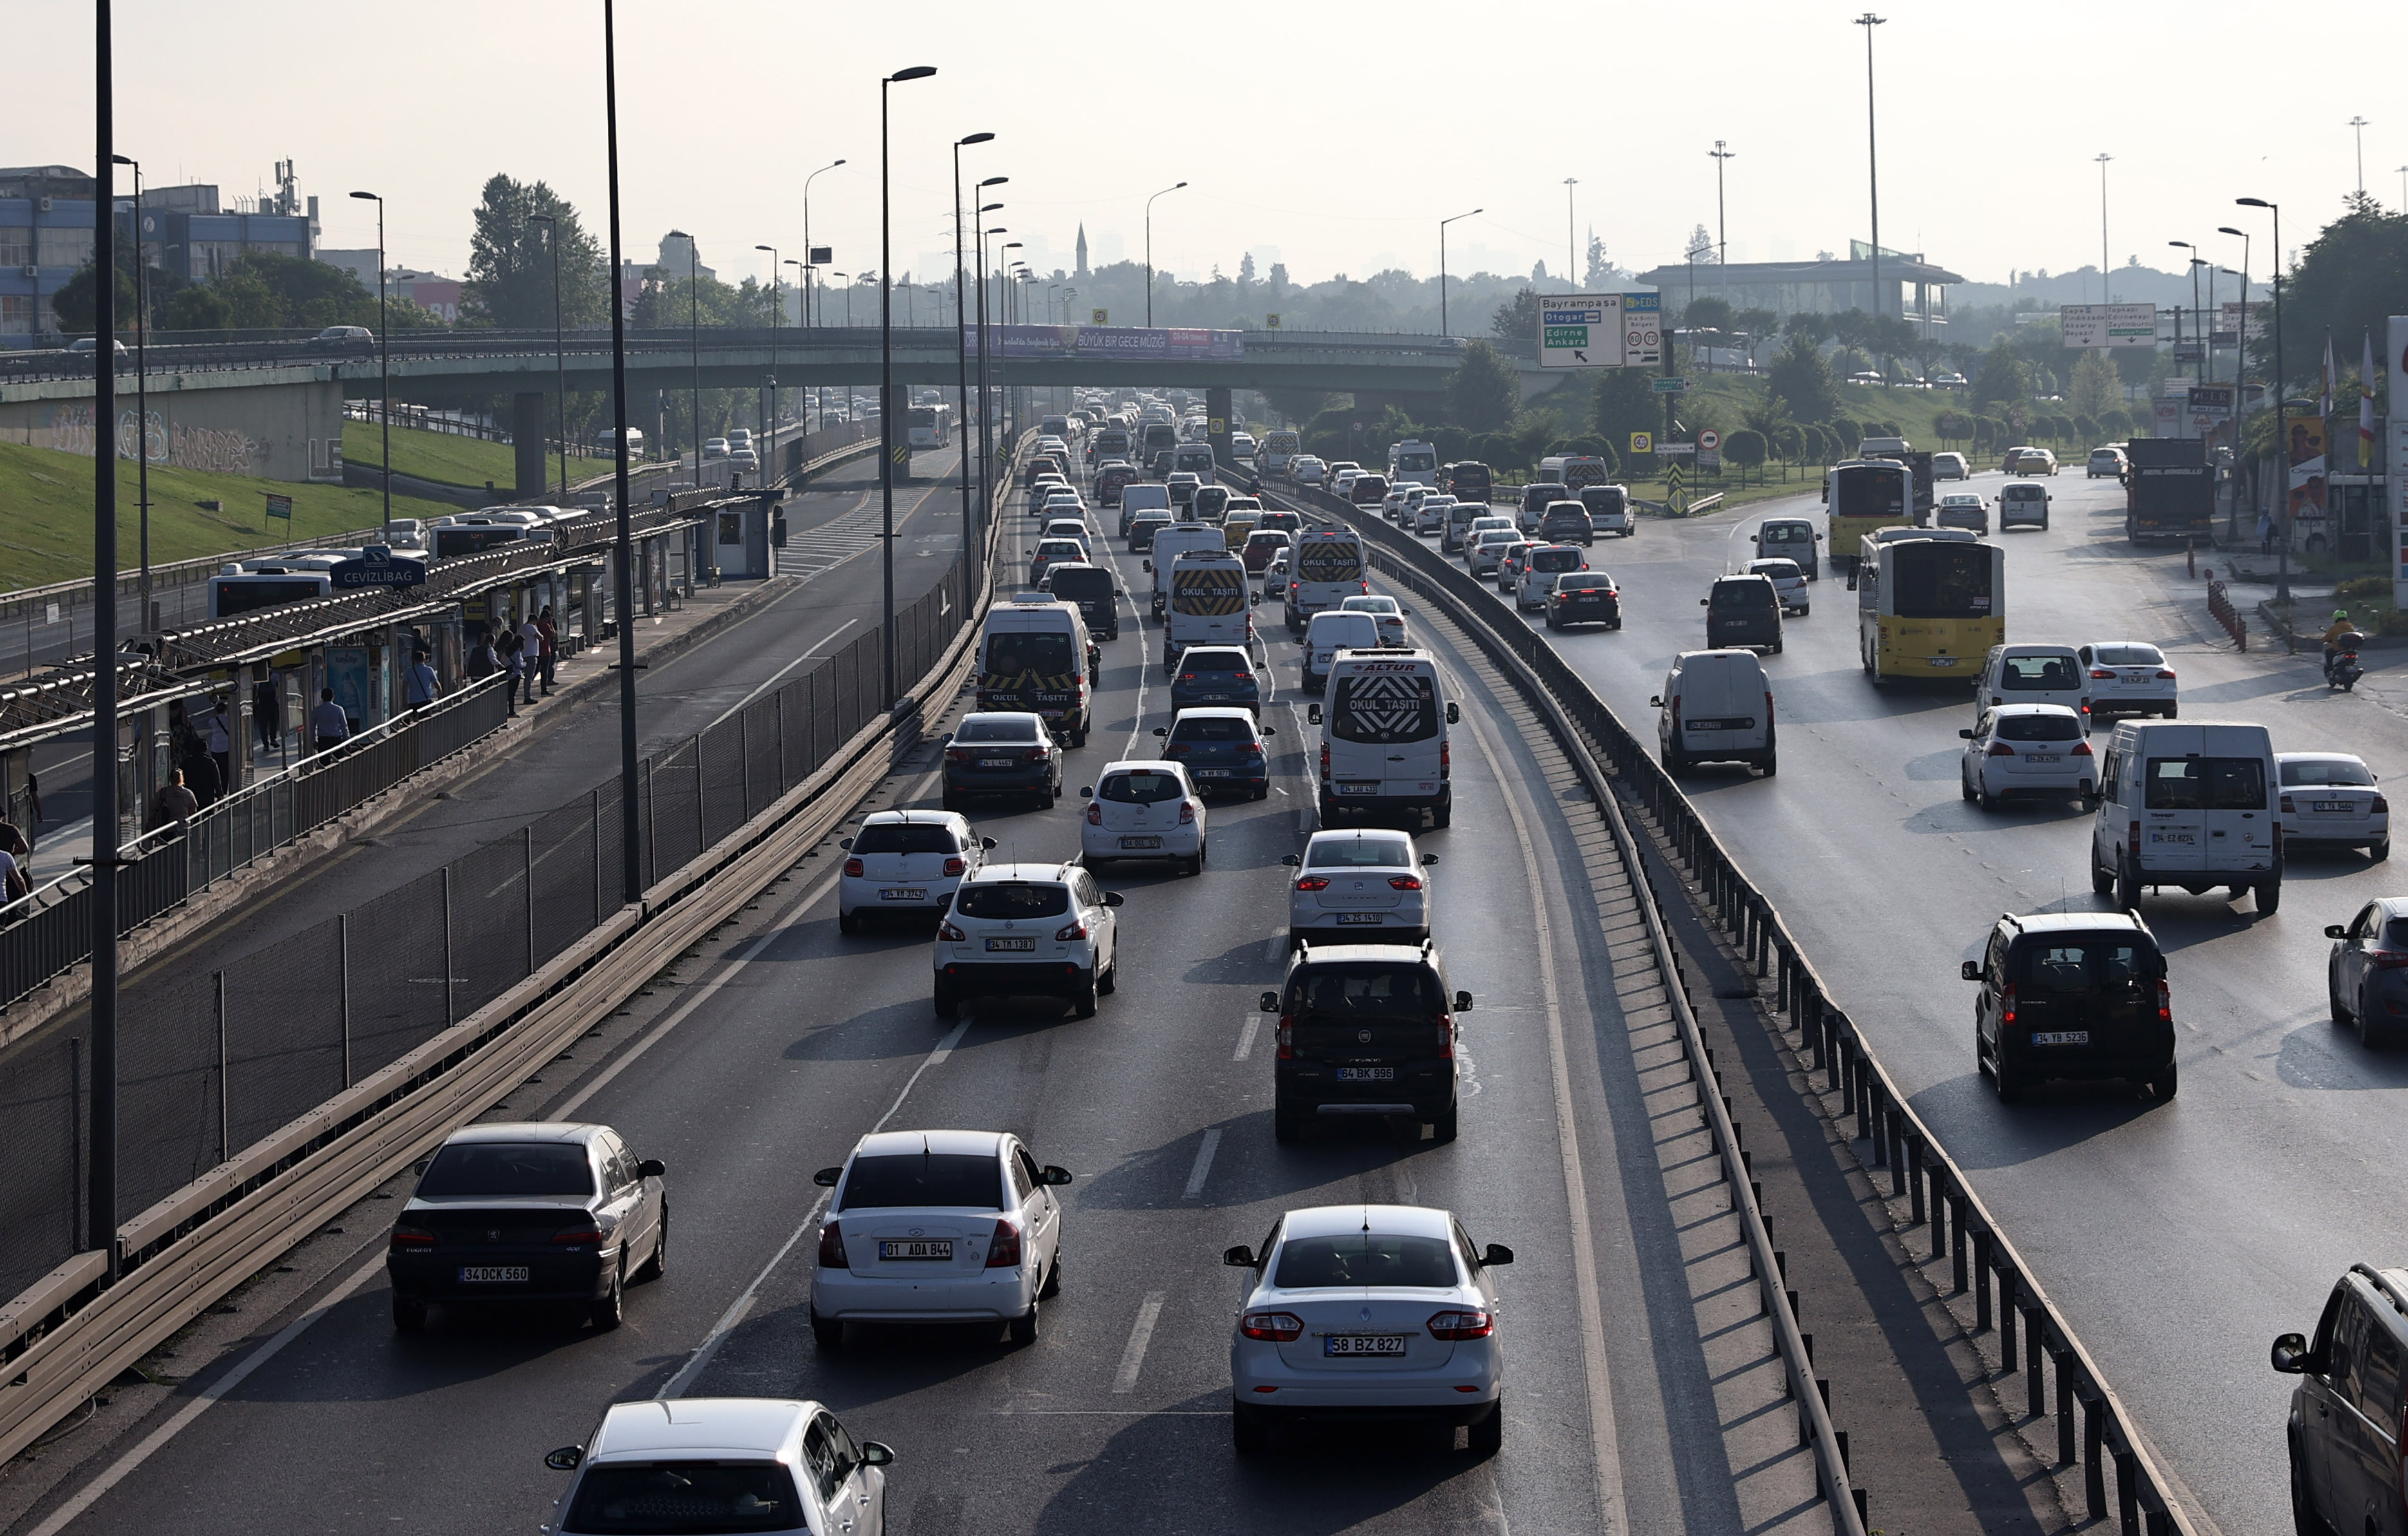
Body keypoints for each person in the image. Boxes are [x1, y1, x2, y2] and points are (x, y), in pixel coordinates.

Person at [151, 768, 198, 835]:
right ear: (182, 779)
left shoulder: (163, 792)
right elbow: (193, 810)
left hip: (167, 827)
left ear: (170, 779)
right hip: (184, 826)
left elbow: (154, 806)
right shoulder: (188, 793)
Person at [2322, 609, 2360, 680]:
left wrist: (2323, 640)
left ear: (2336, 618)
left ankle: (2330, 671)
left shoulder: (2334, 628)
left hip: (2338, 649)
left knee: (2328, 653)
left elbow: (2327, 638)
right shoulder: (2351, 627)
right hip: (2349, 649)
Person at [312, 687, 350, 756]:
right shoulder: (339, 709)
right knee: (338, 761)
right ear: (333, 696)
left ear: (322, 697)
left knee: (324, 763)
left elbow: (313, 727)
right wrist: (346, 739)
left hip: (323, 740)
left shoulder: (317, 710)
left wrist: (314, 740)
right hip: (336, 739)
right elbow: (344, 726)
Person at [402, 646, 440, 712]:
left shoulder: (408, 671)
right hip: (426, 700)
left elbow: (405, 687)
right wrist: (440, 694)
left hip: (413, 701)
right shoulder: (429, 670)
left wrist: (404, 700)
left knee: (415, 719)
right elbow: (436, 684)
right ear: (425, 659)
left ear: (414, 660)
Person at [516, 612, 543, 705]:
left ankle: (526, 695)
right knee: (529, 677)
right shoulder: (531, 627)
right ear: (535, 621)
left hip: (522, 655)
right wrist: (537, 630)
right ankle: (527, 696)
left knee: (522, 676)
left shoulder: (521, 627)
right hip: (531, 655)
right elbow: (541, 638)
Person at [253, 676, 282, 752]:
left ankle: (265, 744)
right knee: (273, 722)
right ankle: (273, 739)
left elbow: (254, 690)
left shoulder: (257, 677)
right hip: (272, 703)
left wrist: (254, 703)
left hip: (262, 705)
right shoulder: (274, 676)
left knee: (263, 726)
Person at [536, 605, 558, 696]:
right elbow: (553, 634)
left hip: (537, 650)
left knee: (536, 670)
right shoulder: (545, 625)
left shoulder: (537, 624)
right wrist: (551, 623)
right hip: (545, 650)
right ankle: (544, 689)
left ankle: (529, 686)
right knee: (544, 671)